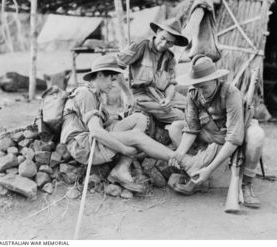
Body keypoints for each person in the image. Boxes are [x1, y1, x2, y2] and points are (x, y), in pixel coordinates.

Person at [60, 54, 195, 193]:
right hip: (84, 144)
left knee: (140, 118)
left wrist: (122, 117)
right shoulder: (86, 94)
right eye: (111, 79)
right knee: (136, 136)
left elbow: (105, 123)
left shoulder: (95, 94)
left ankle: (121, 168)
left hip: (92, 136)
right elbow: (96, 131)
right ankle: (185, 161)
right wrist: (123, 148)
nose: (113, 84)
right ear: (100, 75)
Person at [168, 55, 265, 208]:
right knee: (175, 127)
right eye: (197, 86)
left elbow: (234, 138)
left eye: (204, 87)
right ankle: (195, 171)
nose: (200, 91)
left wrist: (210, 169)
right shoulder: (194, 93)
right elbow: (191, 128)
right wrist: (179, 153)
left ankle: (246, 184)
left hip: (237, 132)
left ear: (215, 80)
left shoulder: (230, 93)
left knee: (257, 136)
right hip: (213, 132)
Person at [116, 18, 189, 124]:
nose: (164, 44)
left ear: (173, 44)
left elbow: (171, 83)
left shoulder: (169, 58)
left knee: (191, 105)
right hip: (140, 95)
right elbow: (116, 66)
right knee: (181, 116)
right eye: (163, 38)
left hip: (162, 95)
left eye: (169, 43)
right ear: (158, 31)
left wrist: (168, 99)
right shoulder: (141, 45)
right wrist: (127, 94)